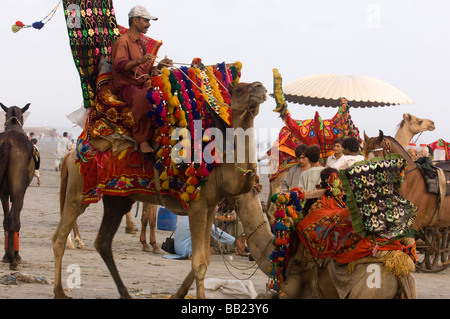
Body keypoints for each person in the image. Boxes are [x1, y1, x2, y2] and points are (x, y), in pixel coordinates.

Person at [109, 5, 172, 154]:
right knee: (143, 97)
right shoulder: (122, 41)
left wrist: (161, 66)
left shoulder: (140, 44)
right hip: (126, 85)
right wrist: (140, 60)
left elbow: (147, 71)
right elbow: (119, 65)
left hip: (141, 83)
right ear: (135, 20)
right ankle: (142, 140)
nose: (149, 24)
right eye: (146, 21)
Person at [162, 216, 245, 259]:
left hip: (178, 248)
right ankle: (192, 254)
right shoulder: (198, 217)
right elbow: (216, 231)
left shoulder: (189, 214)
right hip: (184, 250)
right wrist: (235, 241)